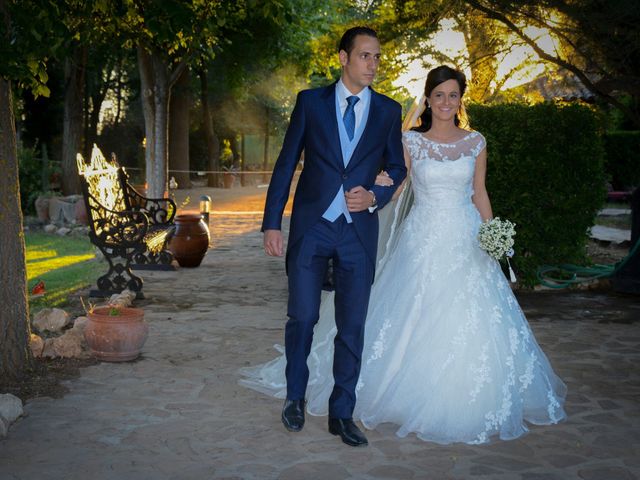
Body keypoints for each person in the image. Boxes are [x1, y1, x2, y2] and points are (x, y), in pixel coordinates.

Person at [242, 64, 567, 445]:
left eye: (453, 95)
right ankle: (327, 395)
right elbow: (396, 183)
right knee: (405, 311)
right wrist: (376, 191)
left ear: (461, 100)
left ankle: (463, 394)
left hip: (465, 239)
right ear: (427, 99)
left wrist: (491, 232)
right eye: (439, 95)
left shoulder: (476, 142)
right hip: (423, 239)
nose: (446, 102)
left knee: (470, 315)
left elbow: (479, 192)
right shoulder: (411, 141)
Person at [259, 26, 407, 447]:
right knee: (302, 317)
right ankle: (294, 398)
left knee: (352, 326)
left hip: (357, 235)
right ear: (343, 57)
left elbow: (397, 168)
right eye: (365, 56)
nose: (373, 64)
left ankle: (343, 413)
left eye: (377, 57)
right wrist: (273, 223)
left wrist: (375, 195)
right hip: (312, 228)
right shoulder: (310, 102)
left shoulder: (388, 111)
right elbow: (287, 164)